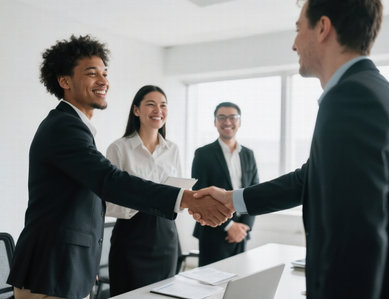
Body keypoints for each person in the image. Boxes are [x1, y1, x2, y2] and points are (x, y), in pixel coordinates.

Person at [194, 0, 389, 298]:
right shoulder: (377, 91)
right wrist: (231, 198)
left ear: (323, 28)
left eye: (298, 29)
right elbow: (309, 177)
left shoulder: (350, 100)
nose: (293, 44)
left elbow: (355, 242)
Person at [7, 35, 232, 299]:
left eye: (104, 73)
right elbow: (110, 181)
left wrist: (87, 260)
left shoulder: (74, 126)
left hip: (67, 266)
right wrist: (187, 198)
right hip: (51, 270)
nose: (103, 81)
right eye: (92, 74)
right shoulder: (64, 127)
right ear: (64, 81)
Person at [104, 85, 184, 296]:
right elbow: (108, 203)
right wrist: (147, 201)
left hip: (166, 238)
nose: (158, 110)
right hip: (131, 238)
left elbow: (178, 196)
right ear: (136, 110)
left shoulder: (172, 149)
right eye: (151, 104)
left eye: (163, 105)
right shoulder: (119, 148)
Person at [192, 102, 259, 266]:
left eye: (232, 117)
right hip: (212, 232)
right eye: (221, 117)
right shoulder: (203, 154)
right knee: (211, 286)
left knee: (238, 282)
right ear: (215, 122)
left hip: (241, 234)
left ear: (240, 122)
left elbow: (255, 193)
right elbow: (198, 194)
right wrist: (230, 226)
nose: (227, 122)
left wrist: (244, 227)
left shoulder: (248, 154)